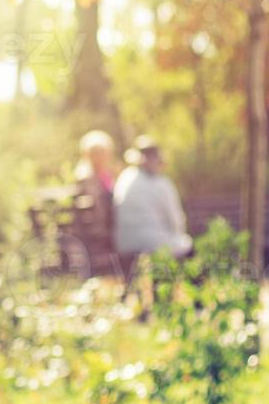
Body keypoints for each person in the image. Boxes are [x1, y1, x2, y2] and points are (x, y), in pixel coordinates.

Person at [113, 135, 192, 316]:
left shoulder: (125, 178)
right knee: (183, 248)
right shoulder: (160, 183)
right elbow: (176, 221)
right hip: (152, 242)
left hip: (124, 241)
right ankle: (184, 302)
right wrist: (179, 235)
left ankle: (156, 300)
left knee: (163, 249)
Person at [72, 130, 118, 274]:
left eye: (104, 153)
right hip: (99, 227)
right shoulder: (86, 176)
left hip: (107, 222)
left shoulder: (103, 172)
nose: (103, 157)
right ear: (88, 154)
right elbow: (95, 207)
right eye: (98, 153)